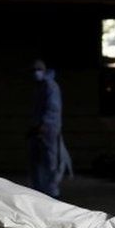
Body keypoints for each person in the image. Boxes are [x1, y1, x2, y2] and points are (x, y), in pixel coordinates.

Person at [29, 59, 72, 198]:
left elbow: (53, 110)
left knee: (50, 163)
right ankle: (40, 192)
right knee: (37, 163)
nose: (36, 73)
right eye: (33, 70)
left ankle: (52, 193)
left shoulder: (50, 86)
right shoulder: (39, 87)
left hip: (49, 132)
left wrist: (43, 126)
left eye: (38, 69)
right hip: (39, 131)